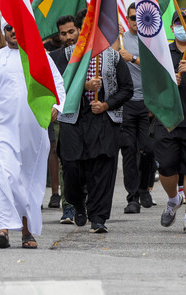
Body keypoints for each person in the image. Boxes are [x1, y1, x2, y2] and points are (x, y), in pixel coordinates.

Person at [0, 21, 66, 249]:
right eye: (9, 28)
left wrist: (58, 106)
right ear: (3, 32)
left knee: (27, 181)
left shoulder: (40, 56)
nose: (14, 31)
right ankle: (4, 229)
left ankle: (27, 232)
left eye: (19, 27)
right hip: (1, 129)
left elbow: (58, 85)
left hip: (33, 130)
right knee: (4, 176)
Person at [55, 31, 133, 234]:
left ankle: (98, 217)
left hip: (103, 119)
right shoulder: (66, 55)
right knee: (72, 167)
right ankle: (78, 202)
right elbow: (57, 83)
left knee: (102, 169)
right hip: (73, 119)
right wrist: (83, 86)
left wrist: (107, 104)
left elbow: (127, 88)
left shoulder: (113, 57)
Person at [155, 9, 186, 234]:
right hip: (168, 120)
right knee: (166, 167)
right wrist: (168, 82)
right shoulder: (162, 51)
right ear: (172, 26)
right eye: (178, 22)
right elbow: (152, 86)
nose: (182, 26)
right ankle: (174, 199)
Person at [119, 4, 156, 214]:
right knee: (129, 152)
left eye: (138, 18)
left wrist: (132, 58)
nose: (135, 21)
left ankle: (144, 188)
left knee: (148, 149)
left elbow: (154, 68)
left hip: (147, 102)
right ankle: (132, 197)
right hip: (126, 103)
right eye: (132, 18)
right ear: (128, 18)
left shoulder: (150, 40)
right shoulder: (120, 40)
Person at [49, 15, 79, 214]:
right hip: (63, 116)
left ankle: (85, 203)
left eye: (71, 31)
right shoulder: (54, 58)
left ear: (78, 30)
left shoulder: (92, 54)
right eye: (63, 33)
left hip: (89, 116)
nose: (68, 36)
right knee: (65, 161)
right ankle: (68, 205)